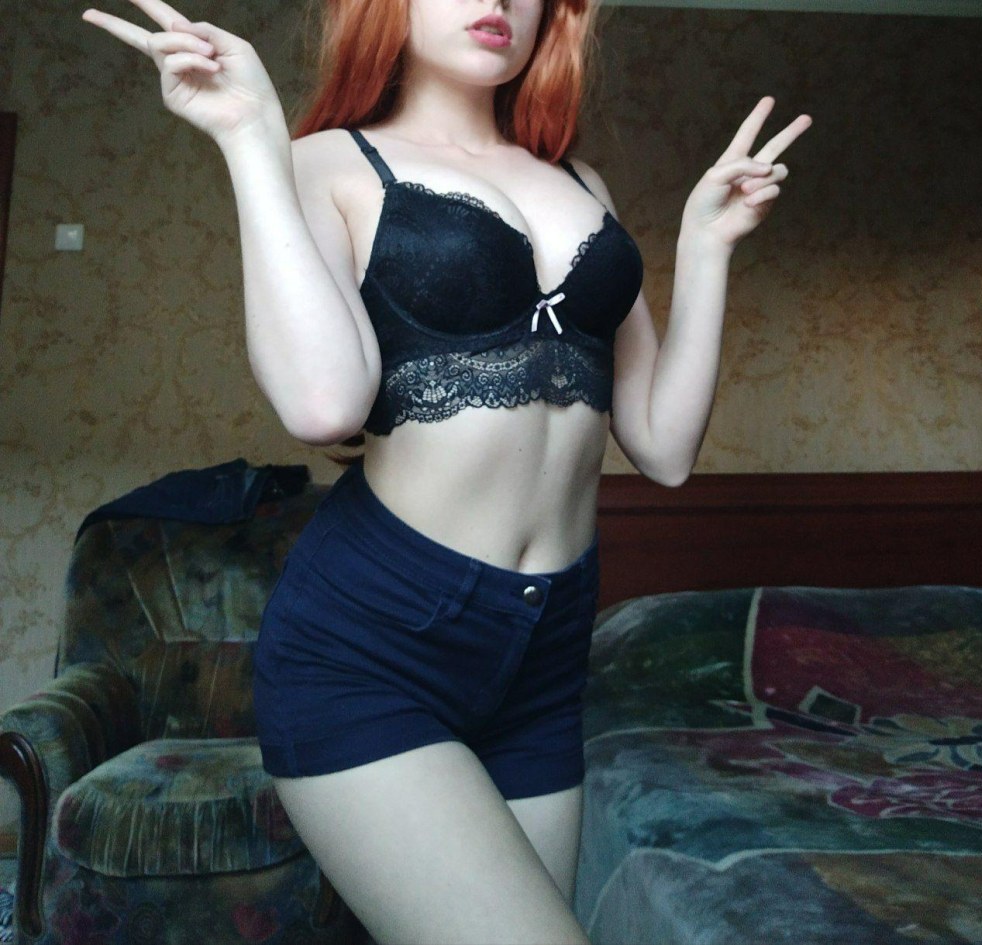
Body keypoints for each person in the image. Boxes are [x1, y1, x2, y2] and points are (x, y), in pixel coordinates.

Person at [81, 1, 812, 941]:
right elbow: (324, 405)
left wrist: (707, 247)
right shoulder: (326, 162)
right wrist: (250, 137)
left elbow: (664, 450)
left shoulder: (580, 181)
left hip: (546, 650)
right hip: (373, 645)